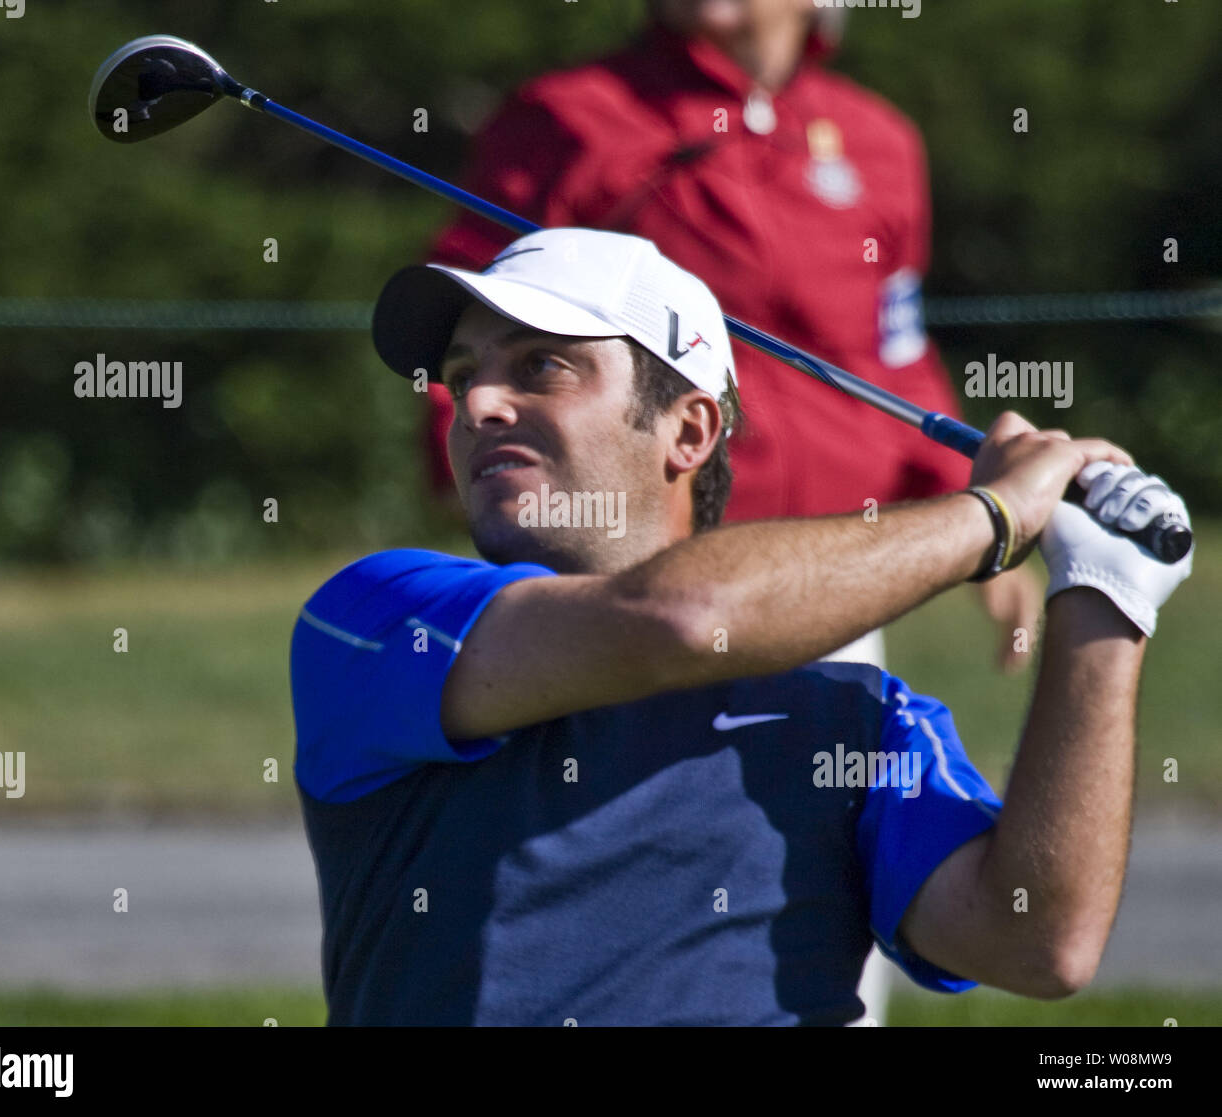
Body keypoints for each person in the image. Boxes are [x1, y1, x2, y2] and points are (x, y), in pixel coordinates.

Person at [290, 228, 1191, 1026]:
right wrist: (993, 516)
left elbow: (1036, 942)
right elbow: (681, 619)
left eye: (541, 366)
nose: (476, 405)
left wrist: (1104, 598)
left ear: (688, 431)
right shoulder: (378, 617)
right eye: (462, 377)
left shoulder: (854, 716)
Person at [421, 0, 1040, 675]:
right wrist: (474, 471)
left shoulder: (879, 139)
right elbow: (470, 317)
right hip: (636, 585)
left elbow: (895, 353)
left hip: (833, 571)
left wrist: (973, 513)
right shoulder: (563, 116)